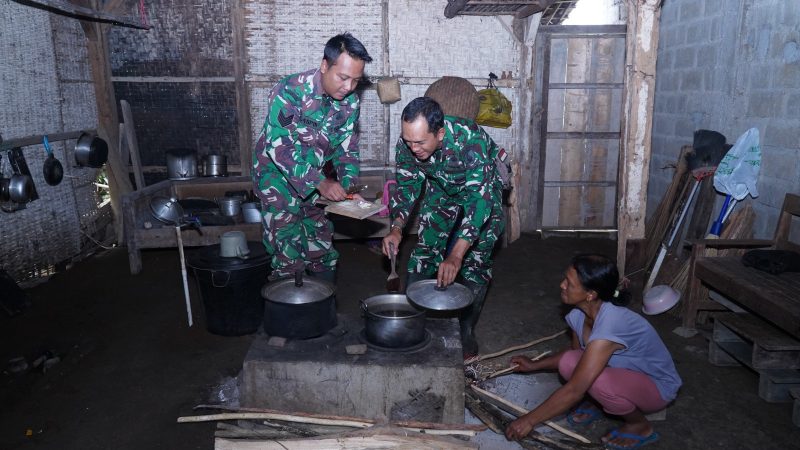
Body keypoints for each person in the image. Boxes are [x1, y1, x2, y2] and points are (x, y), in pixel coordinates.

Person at [504, 254, 682, 450]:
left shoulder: (610, 325)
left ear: (590, 294)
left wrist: (529, 420)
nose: (562, 285)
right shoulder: (577, 315)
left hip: (656, 387)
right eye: (565, 279)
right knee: (569, 362)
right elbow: (576, 356)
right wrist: (534, 365)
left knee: (597, 381)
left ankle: (639, 425)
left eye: (569, 283)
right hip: (621, 374)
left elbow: (575, 389)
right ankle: (597, 401)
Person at [381, 96, 505, 356]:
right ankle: (416, 323)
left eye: (420, 142)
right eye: (408, 141)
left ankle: (465, 332)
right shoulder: (408, 143)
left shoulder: (470, 140)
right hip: (442, 189)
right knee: (424, 253)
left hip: (482, 192)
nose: (413, 148)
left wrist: (457, 254)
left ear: (439, 133)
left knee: (475, 264)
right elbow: (406, 188)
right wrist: (396, 228)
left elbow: (478, 201)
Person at [253, 33, 372, 283]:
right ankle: (291, 318)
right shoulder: (290, 91)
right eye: (343, 77)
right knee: (287, 255)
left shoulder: (350, 102)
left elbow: (347, 149)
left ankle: (322, 316)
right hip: (277, 181)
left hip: (316, 182)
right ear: (325, 65)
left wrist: (350, 188)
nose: (349, 87)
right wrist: (321, 182)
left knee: (322, 249)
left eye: (356, 81)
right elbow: (279, 148)